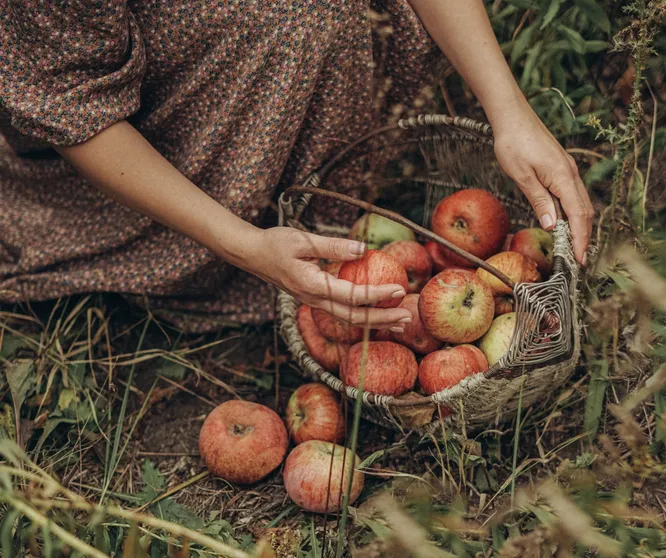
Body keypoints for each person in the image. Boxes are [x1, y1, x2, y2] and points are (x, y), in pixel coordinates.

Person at [0, 1, 593, 334]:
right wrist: (243, 245)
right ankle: (207, 245)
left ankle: (309, 198)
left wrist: (510, 112)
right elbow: (72, 103)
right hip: (122, 98)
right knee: (299, 23)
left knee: (320, 18)